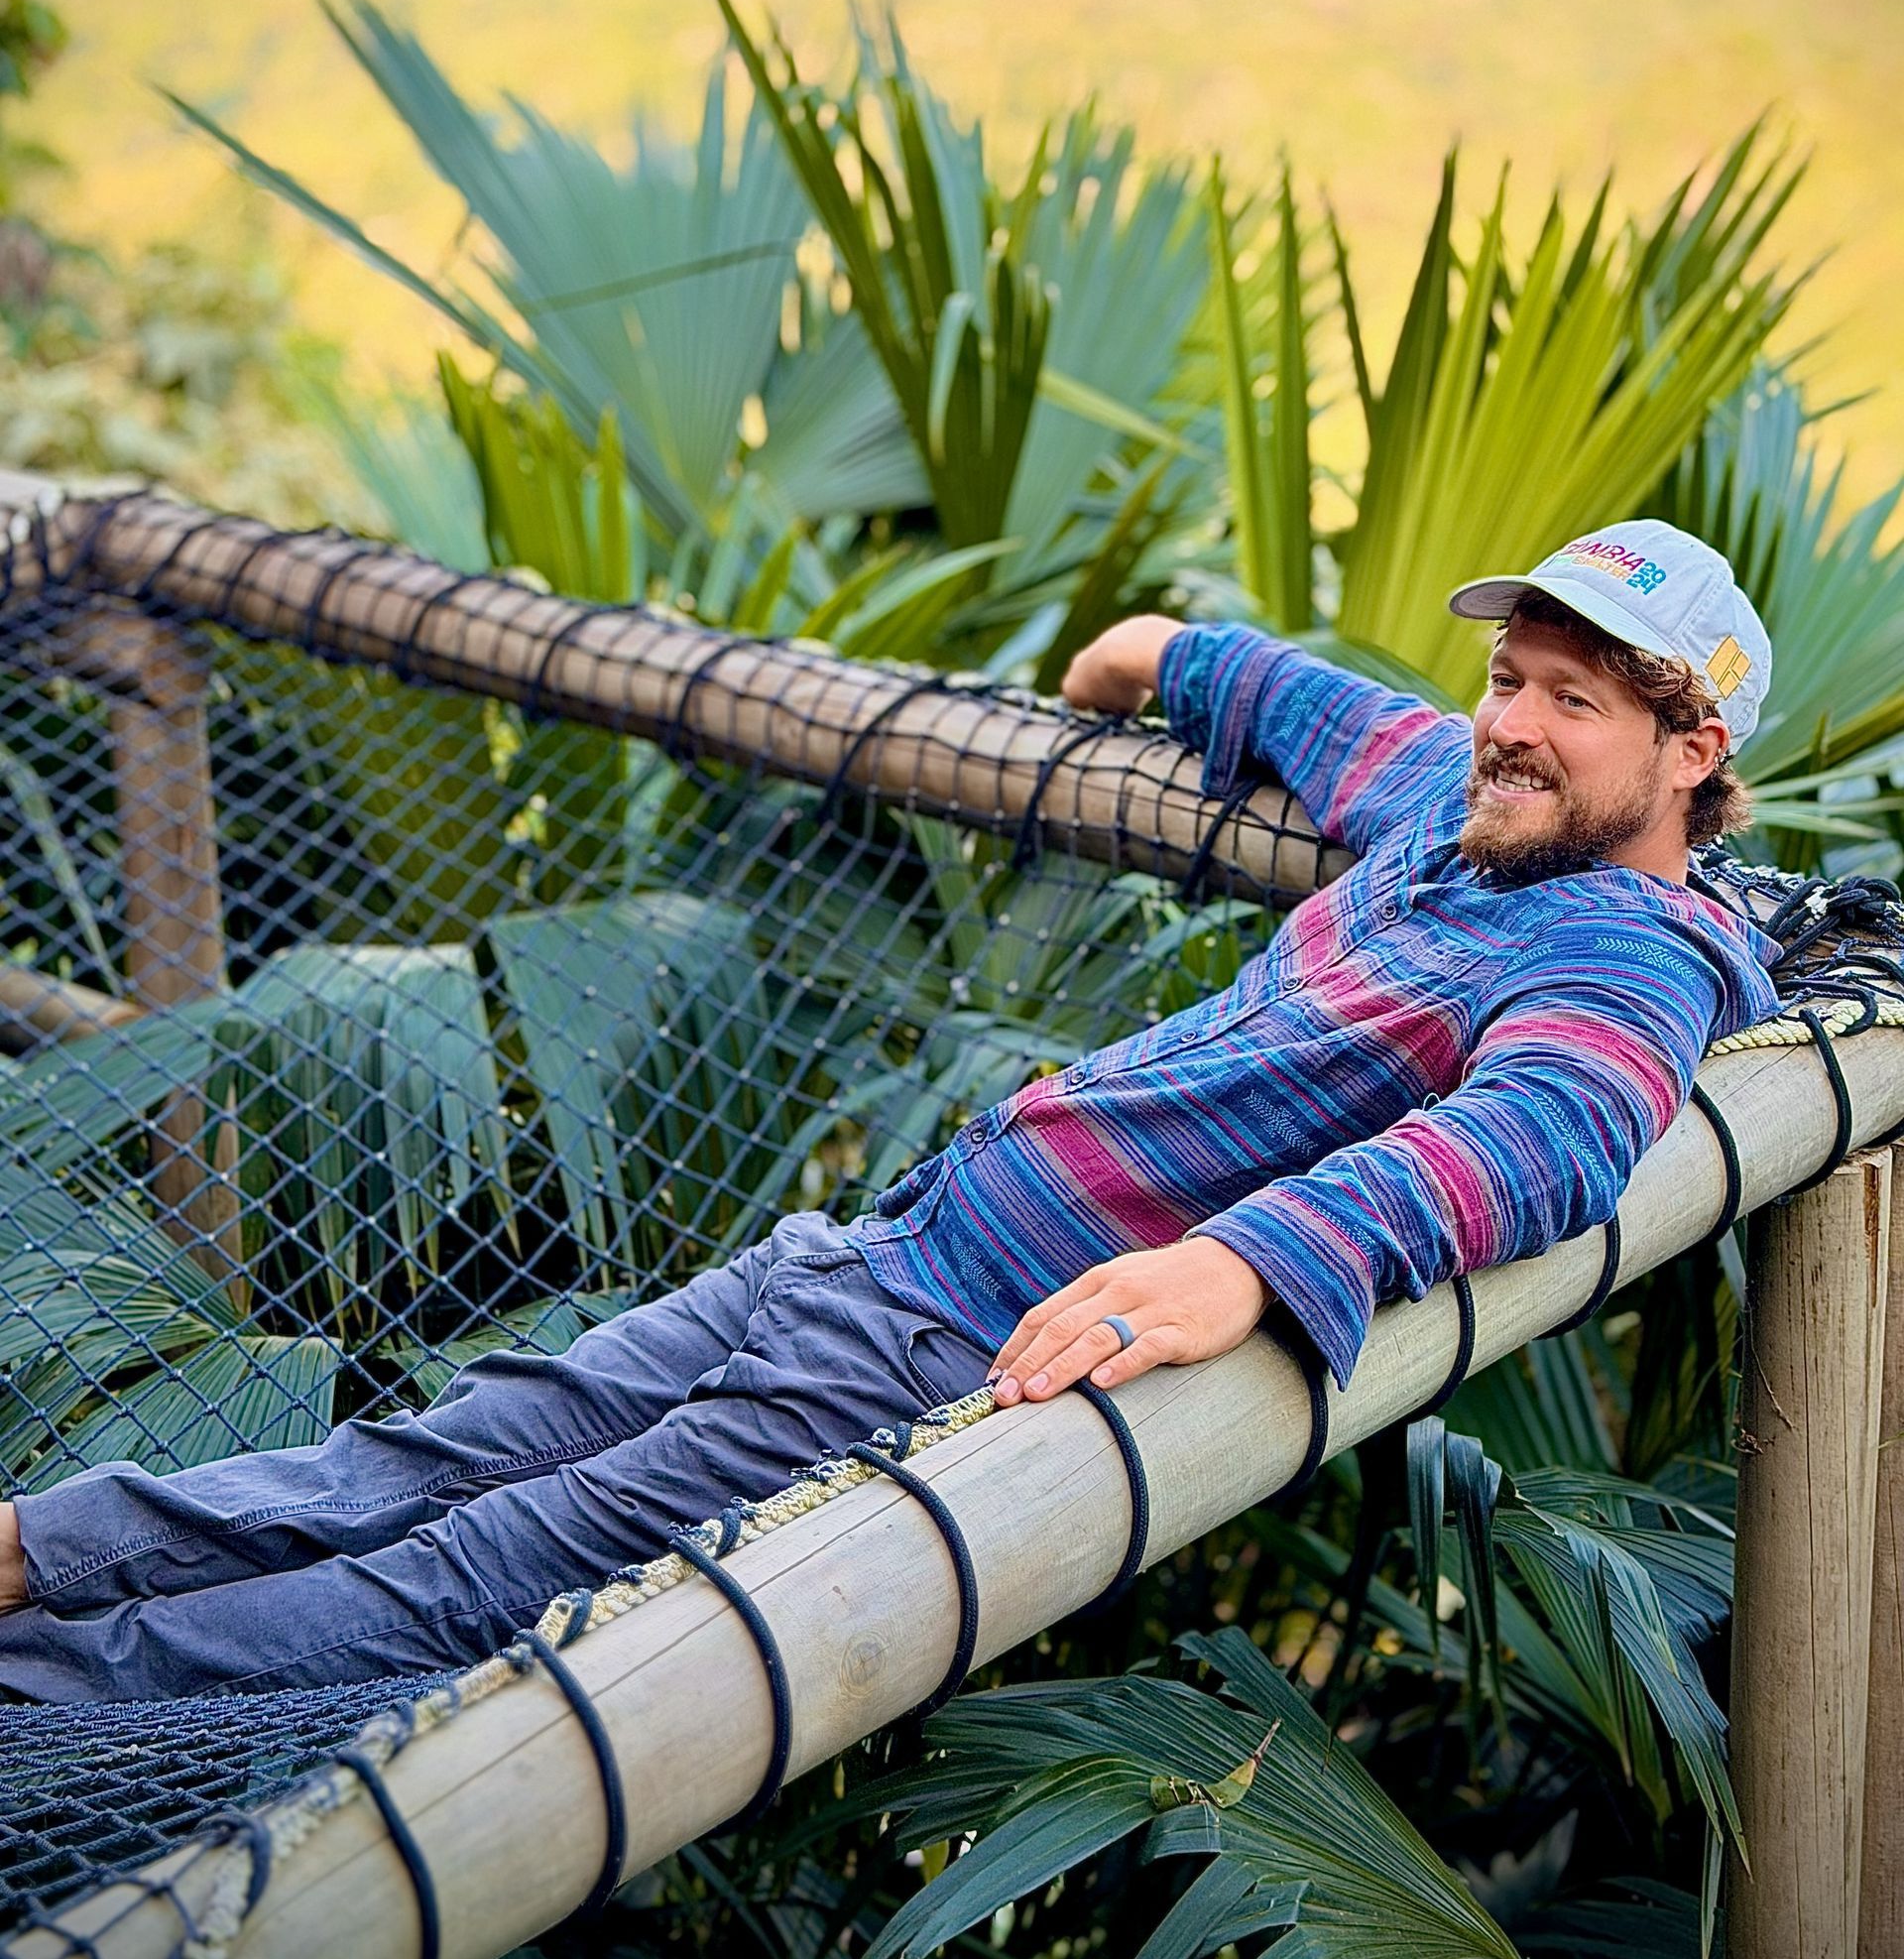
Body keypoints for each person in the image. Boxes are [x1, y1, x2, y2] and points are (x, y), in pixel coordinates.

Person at [0, 520, 1779, 1699]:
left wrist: (1246, 1268)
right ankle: (36, 1556)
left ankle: (53, 1708)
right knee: (450, 1442)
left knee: (488, 1566)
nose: (1513, 725)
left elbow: (1538, 1140)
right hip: (871, 1248)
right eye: (1508, 679)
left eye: (1576, 700)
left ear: (1692, 758)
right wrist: (1146, 658)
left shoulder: (1627, 964)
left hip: (936, 1345)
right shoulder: (1460, 803)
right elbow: (1296, 699)